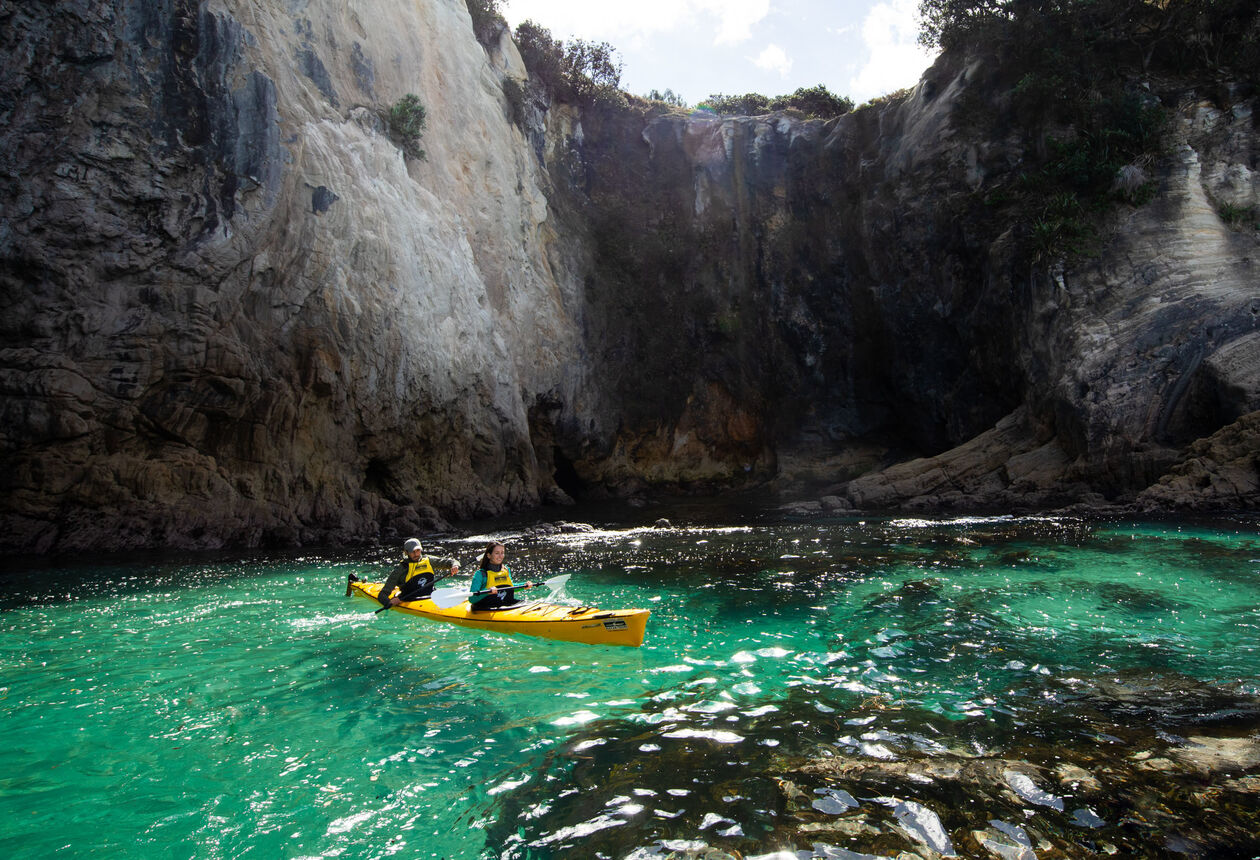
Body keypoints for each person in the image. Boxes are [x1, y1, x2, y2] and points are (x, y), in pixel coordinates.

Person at [377, 537, 461, 609]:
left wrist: (455, 565)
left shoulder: (428, 560)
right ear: (406, 552)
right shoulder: (400, 569)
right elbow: (382, 595)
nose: (416, 554)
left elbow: (451, 561)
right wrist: (389, 603)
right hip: (410, 600)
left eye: (418, 550)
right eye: (412, 551)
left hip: (431, 596)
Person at [468, 541, 532, 611]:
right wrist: (487, 592)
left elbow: (510, 587)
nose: (500, 556)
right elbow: (472, 598)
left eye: (502, 553)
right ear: (489, 555)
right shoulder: (480, 574)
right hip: (487, 608)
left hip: (506, 604)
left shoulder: (506, 570)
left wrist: (524, 585)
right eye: (497, 553)